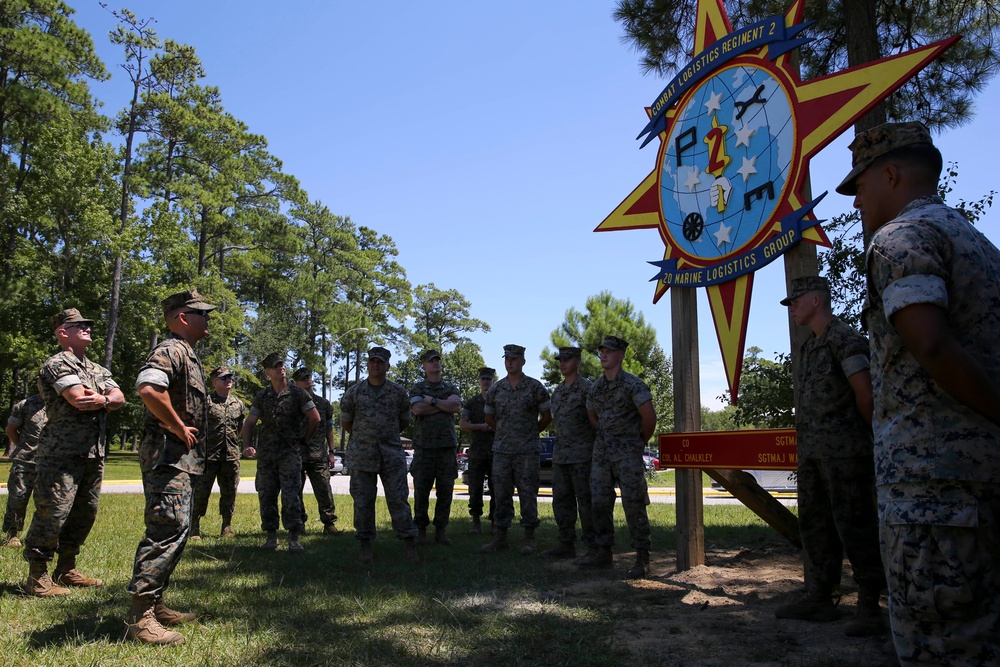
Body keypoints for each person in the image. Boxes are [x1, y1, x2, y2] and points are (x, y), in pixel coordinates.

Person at [838, 121, 1000, 666]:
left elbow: (930, 345)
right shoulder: (979, 244)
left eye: (859, 185)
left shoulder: (900, 240)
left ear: (891, 173)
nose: (856, 201)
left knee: (939, 645)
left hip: (932, 494)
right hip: (981, 480)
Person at [775, 276, 885, 636]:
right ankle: (821, 597)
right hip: (812, 454)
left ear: (817, 301)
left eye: (796, 300)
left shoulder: (846, 340)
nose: (791, 307)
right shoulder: (809, 347)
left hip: (846, 454)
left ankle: (870, 606)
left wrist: (874, 441)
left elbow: (865, 395)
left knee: (855, 525)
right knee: (815, 525)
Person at [125, 290, 214, 645]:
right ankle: (140, 617)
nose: (207, 319)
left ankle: (156, 604)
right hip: (167, 458)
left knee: (177, 531)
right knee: (166, 530)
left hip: (181, 460)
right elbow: (148, 389)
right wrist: (177, 425)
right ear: (181, 318)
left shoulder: (188, 354)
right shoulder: (171, 350)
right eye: (201, 313)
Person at [23, 308, 124, 597]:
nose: (87, 328)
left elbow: (119, 397)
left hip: (92, 453)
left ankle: (66, 569)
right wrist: (105, 399)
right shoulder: (57, 364)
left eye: (88, 325)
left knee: (84, 513)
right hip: (60, 454)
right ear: (62, 332)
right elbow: (79, 399)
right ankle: (38, 576)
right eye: (79, 325)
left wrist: (104, 398)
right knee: (53, 512)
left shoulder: (95, 368)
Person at [579, 335, 656, 579]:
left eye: (609, 351)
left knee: (633, 503)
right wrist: (604, 434)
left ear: (620, 356)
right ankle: (603, 552)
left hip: (627, 454)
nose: (603, 355)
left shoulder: (633, 385)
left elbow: (649, 419)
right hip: (601, 454)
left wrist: (636, 442)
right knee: (599, 502)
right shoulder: (596, 387)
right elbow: (592, 414)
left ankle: (642, 556)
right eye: (601, 351)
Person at [340, 347, 420, 565]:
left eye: (380, 362)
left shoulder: (398, 393)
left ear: (387, 366)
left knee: (399, 500)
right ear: (368, 364)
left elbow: (404, 422)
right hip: (362, 456)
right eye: (372, 361)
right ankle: (365, 546)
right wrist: (365, 438)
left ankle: (409, 545)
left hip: (391, 455)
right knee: (363, 502)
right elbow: (346, 423)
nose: (375, 365)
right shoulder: (354, 392)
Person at [242, 353, 320, 553]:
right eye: (275, 366)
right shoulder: (262, 396)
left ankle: (294, 538)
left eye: (281, 364)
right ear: (267, 372)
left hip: (290, 454)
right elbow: (249, 422)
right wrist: (247, 445)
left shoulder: (298, 393)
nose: (280, 368)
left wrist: (304, 440)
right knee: (266, 495)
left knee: (291, 495)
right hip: (267, 455)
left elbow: (315, 418)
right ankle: (271, 537)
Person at [480, 344, 551, 555]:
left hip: (527, 451)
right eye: (507, 358)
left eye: (514, 358)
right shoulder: (496, 389)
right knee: (501, 494)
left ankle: (530, 538)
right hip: (502, 451)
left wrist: (530, 433)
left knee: (528, 494)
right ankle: (500, 537)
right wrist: (503, 432)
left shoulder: (535, 387)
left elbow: (547, 416)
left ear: (522, 361)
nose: (509, 362)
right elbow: (488, 417)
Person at [542, 347, 597, 560]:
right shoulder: (558, 391)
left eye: (567, 359)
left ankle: (593, 547)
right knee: (561, 501)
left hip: (583, 455)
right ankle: (566, 543)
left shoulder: (587, 388)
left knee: (586, 501)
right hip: (561, 455)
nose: (562, 363)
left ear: (577, 362)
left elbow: (595, 420)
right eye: (560, 360)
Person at [409, 349, 462, 546]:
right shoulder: (417, 388)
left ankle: (441, 529)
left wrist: (430, 400)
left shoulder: (450, 387)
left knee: (445, 490)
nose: (435, 363)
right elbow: (418, 409)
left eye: (437, 360)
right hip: (424, 447)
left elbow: (455, 408)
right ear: (424, 366)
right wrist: (442, 404)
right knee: (421, 491)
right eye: (430, 361)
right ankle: (421, 529)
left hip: (447, 447)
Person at [191, 366, 245, 540]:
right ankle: (194, 527)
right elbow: (197, 426)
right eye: (224, 378)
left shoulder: (238, 403)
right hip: (208, 456)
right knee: (201, 492)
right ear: (215, 382)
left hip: (231, 456)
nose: (228, 379)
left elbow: (240, 428)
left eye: (230, 377)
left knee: (229, 491)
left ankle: (226, 526)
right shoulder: (206, 402)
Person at [292, 367, 341, 536]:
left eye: (308, 376)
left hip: (318, 454)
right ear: (296, 383)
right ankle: (299, 523)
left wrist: (332, 451)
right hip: (297, 453)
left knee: (324, 488)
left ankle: (329, 523)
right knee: (295, 490)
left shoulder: (323, 404)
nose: (307, 379)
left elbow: (329, 429)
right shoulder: (291, 403)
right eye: (302, 377)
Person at [4, 379, 46, 548]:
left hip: (51, 462)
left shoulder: (61, 405)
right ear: (37, 384)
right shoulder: (25, 405)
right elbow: (11, 430)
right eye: (41, 382)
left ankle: (41, 536)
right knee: (18, 498)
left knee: (48, 501)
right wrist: (23, 447)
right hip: (25, 461)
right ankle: (12, 535)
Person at [459, 367, 496, 535]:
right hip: (477, 451)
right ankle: (475, 521)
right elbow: (463, 424)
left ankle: (496, 520)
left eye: (489, 379)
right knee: (475, 487)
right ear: (480, 381)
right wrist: (480, 426)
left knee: (497, 488)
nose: (486, 382)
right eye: (483, 379)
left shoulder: (498, 401)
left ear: (493, 380)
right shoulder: (472, 402)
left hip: (496, 451)